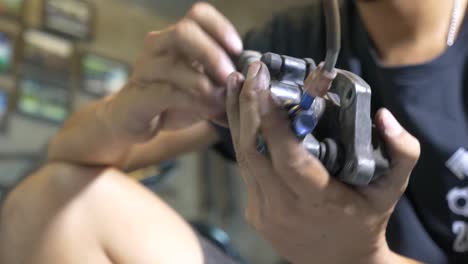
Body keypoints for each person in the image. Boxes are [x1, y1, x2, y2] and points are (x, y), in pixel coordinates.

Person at [0, 0, 466, 263]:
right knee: (54, 205)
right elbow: (65, 155)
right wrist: (126, 108)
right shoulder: (297, 39)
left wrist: (363, 259)